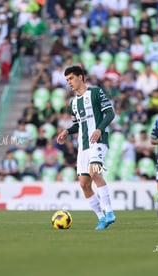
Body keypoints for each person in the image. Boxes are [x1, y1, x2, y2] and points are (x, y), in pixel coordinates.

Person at [57, 65, 116, 230]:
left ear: (80, 77)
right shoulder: (73, 103)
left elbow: (110, 113)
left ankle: (110, 211)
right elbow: (78, 125)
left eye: (71, 78)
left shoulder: (96, 92)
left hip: (98, 141)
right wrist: (67, 131)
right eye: (67, 80)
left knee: (94, 171)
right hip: (83, 147)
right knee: (84, 184)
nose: (69, 82)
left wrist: (99, 128)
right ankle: (102, 218)